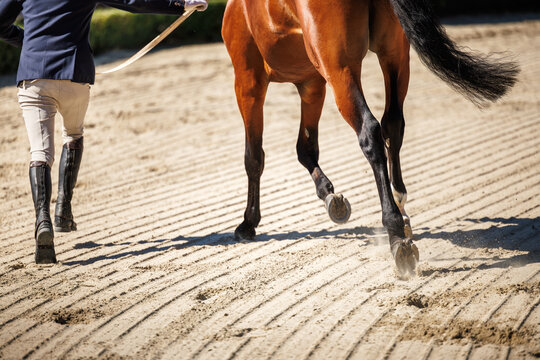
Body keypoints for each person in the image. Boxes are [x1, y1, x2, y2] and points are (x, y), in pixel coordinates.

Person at [0, 0, 208, 264]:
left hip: (34, 76)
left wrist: (28, 42)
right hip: (75, 74)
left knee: (40, 152)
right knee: (73, 135)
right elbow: (133, 2)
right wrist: (180, 4)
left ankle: (43, 220)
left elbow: (0, 22)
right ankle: (63, 209)